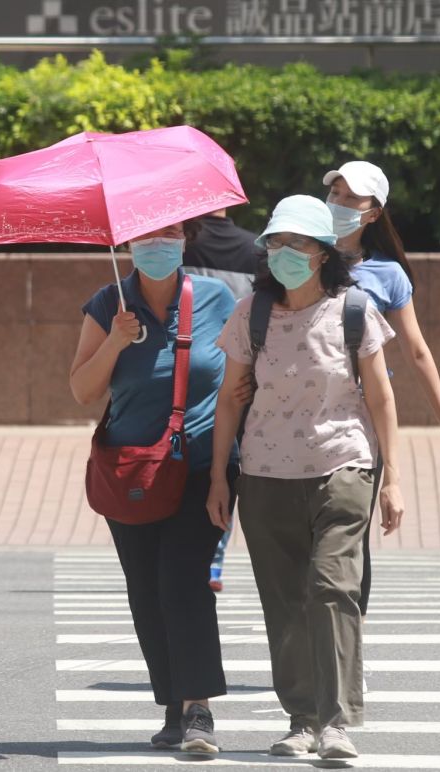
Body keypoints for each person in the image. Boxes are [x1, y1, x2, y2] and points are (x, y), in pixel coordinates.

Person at [207, 195, 405, 760]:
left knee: (332, 589)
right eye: (275, 242)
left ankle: (336, 722)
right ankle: (302, 718)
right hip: (265, 476)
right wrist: (220, 477)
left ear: (322, 252)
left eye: (296, 243)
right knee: (285, 603)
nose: (283, 253)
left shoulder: (354, 310)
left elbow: (382, 397)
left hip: (343, 467)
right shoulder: (252, 314)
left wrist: (393, 479)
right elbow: (230, 400)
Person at [70, 221, 238, 755]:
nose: (158, 243)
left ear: (186, 238)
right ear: (128, 243)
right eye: (147, 234)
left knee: (183, 582)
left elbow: (238, 383)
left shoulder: (216, 298)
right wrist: (115, 341)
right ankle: (174, 707)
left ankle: (198, 709)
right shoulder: (107, 304)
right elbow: (82, 390)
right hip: (132, 473)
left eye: (169, 233)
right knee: (145, 592)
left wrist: (223, 474)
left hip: (201, 467)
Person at [323, 160, 440, 621]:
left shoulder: (387, 274)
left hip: (360, 421)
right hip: (300, 414)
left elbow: (417, 351)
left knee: (348, 538)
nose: (339, 204)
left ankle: (347, 641)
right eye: (335, 194)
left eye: (352, 198)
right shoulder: (299, 257)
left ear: (372, 214)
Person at [183, 208, 264, 592]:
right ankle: (214, 557)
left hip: (189, 373)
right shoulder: (255, 249)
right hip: (241, 377)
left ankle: (195, 551)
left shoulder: (179, 245)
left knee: (195, 462)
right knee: (230, 462)